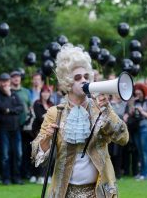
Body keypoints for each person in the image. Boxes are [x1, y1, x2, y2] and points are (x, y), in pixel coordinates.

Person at [31, 44, 129, 197]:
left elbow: (123, 138)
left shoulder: (100, 109)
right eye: (77, 78)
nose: (83, 81)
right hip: (65, 192)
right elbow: (38, 157)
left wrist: (108, 111)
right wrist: (47, 138)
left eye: (86, 77)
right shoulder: (54, 113)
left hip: (99, 191)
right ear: (68, 83)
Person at [0, 73, 24, 185]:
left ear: (9, 82)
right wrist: (12, 109)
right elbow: (1, 108)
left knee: (18, 153)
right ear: (0, 82)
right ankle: (6, 178)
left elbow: (21, 108)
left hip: (16, 128)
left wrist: (9, 109)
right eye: (3, 81)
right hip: (3, 129)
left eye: (6, 81)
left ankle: (16, 177)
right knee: (5, 155)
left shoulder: (14, 94)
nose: (5, 83)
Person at [129, 83, 147, 181]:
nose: (138, 95)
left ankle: (146, 173)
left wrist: (141, 111)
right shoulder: (136, 102)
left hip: (146, 128)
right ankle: (142, 173)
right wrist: (132, 105)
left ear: (143, 92)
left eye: (139, 93)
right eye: (136, 94)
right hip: (137, 128)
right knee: (140, 152)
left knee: (145, 151)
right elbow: (132, 113)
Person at [10, 70, 32, 181]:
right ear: (10, 79)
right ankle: (13, 175)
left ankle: (24, 173)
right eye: (14, 77)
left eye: (18, 76)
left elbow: (30, 107)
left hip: (26, 126)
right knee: (13, 151)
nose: (16, 78)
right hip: (13, 126)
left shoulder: (26, 91)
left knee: (24, 151)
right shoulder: (8, 91)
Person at [31, 84, 54, 184]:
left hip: (49, 133)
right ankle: (37, 175)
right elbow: (40, 117)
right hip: (38, 132)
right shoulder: (37, 103)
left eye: (47, 92)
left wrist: (46, 116)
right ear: (41, 93)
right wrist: (47, 117)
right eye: (44, 92)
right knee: (38, 153)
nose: (45, 94)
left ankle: (46, 175)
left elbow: (53, 118)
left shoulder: (51, 104)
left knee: (49, 154)